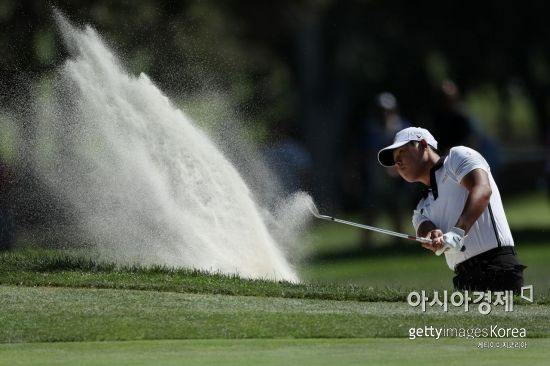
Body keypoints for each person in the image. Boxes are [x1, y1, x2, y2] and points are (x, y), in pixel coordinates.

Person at [377, 127, 525, 292]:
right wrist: (432, 237)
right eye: (395, 158)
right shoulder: (420, 207)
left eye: (402, 151)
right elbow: (424, 230)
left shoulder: (455, 158)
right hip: (463, 279)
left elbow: (482, 190)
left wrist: (457, 232)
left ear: (423, 144)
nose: (397, 161)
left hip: (497, 267)